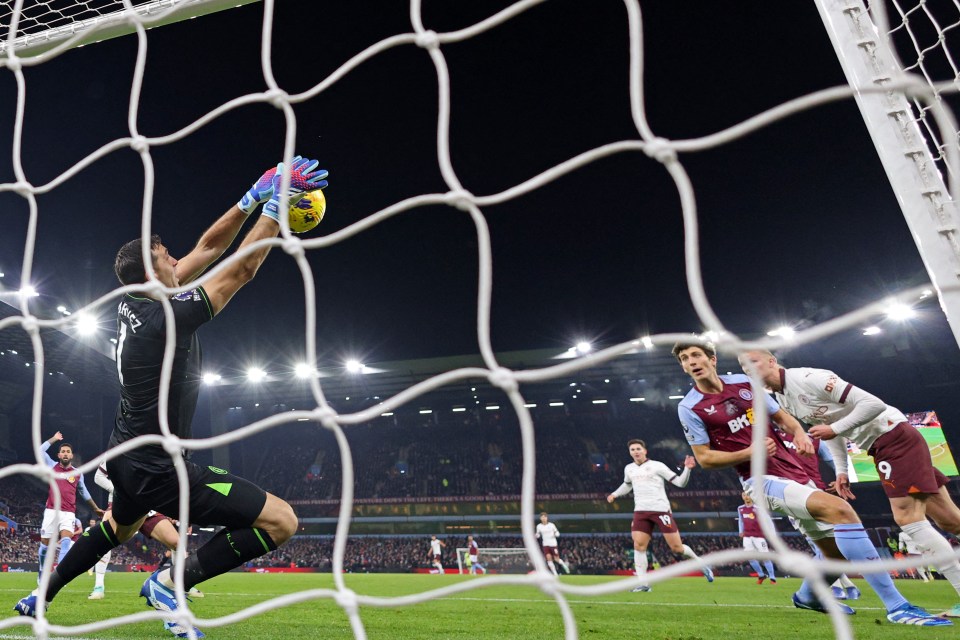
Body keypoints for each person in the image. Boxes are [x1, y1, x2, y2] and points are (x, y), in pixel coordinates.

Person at [14, 156, 328, 638]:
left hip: (125, 457)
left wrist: (253, 196)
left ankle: (41, 596)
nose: (177, 259)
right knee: (282, 520)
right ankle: (168, 583)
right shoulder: (166, 318)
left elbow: (208, 246)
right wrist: (278, 211)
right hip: (160, 467)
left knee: (113, 530)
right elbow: (239, 270)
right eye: (166, 256)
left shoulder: (135, 303)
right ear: (152, 271)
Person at [673, 339, 947, 626]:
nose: (691, 361)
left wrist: (800, 434)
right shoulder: (690, 407)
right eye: (684, 359)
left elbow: (783, 418)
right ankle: (897, 606)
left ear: (712, 359)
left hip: (796, 472)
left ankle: (808, 596)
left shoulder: (744, 383)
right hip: (760, 480)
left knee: (836, 555)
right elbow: (704, 459)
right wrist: (748, 452)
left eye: (696, 355)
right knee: (841, 511)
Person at [740, 349, 960, 616]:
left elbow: (873, 404)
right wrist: (842, 470)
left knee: (909, 520)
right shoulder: (782, 399)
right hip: (884, 444)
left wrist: (833, 429)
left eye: (753, 362)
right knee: (950, 520)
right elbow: (829, 427)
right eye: (743, 366)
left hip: (893, 436)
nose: (748, 369)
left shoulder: (809, 378)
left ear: (772, 361)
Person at [606, 439, 713, 591]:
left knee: (677, 548)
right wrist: (615, 494)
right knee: (639, 545)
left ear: (645, 451)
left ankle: (701, 563)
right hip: (641, 511)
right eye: (632, 449)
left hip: (660, 510)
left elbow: (680, 483)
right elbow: (627, 485)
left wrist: (687, 469)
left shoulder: (657, 466)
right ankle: (643, 584)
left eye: (638, 449)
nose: (635, 451)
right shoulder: (629, 469)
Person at [88, 462, 203, 600]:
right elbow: (98, 476)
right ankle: (99, 587)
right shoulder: (117, 450)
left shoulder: (154, 453)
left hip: (147, 505)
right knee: (104, 540)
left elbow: (165, 484)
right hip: (120, 503)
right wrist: (119, 491)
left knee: (177, 542)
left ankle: (183, 584)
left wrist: (171, 508)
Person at [37, 431, 104, 583]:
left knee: (66, 540)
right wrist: (54, 439)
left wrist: (95, 508)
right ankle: (41, 570)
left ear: (71, 456)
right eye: (63, 452)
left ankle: (57, 576)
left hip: (68, 513)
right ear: (59, 455)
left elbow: (84, 492)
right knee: (45, 547)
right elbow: (40, 451)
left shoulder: (77, 473)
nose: (66, 454)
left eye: (68, 452)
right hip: (51, 511)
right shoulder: (52, 466)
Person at [737, 492, 777, 584]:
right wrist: (740, 531)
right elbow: (741, 520)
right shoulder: (740, 508)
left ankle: (772, 578)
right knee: (750, 558)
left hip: (759, 536)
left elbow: (768, 521)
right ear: (742, 496)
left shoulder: (758, 509)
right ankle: (761, 575)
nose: (746, 497)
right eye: (744, 495)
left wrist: (772, 534)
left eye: (748, 495)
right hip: (747, 537)